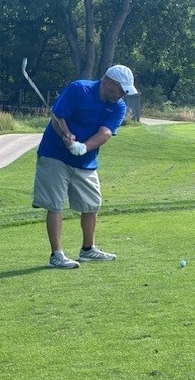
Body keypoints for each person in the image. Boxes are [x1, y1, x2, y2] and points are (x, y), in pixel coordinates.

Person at [33, 64, 138, 269]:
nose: (122, 95)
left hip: (85, 159)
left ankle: (88, 250)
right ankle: (56, 255)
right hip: (54, 154)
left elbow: (105, 133)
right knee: (55, 204)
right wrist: (66, 135)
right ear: (110, 83)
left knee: (92, 203)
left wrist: (82, 148)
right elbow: (58, 118)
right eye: (121, 90)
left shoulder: (118, 106)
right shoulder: (79, 89)